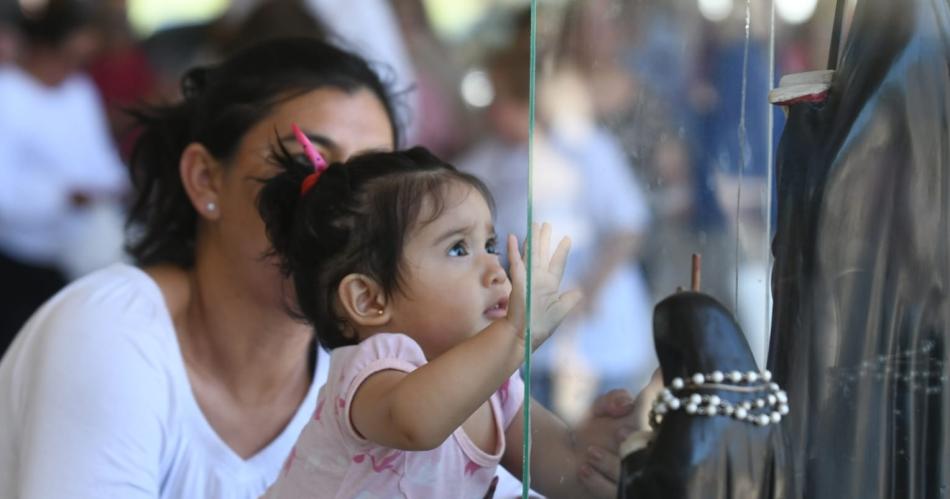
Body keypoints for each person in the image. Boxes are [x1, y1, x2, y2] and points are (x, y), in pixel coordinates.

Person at [0, 36, 642, 499]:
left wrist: (603, 453)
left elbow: (555, 466)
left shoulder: (423, 355)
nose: (343, 206)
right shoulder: (112, 330)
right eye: (315, 164)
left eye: (372, 179)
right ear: (204, 177)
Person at [257, 139, 613, 498]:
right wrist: (514, 336)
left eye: (489, 245)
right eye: (459, 249)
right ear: (369, 300)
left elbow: (565, 469)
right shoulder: (372, 372)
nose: (495, 268)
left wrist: (612, 446)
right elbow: (416, 423)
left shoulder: (497, 386)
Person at [0, 0, 128, 354]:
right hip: (20, 257)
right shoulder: (7, 93)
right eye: (65, 57)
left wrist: (116, 183)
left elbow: (99, 157)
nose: (70, 69)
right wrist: (63, 196)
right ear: (44, 46)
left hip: (76, 250)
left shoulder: (78, 89)